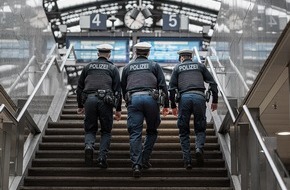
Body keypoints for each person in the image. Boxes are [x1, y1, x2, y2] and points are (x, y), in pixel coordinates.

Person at [121, 42, 169, 177]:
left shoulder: (128, 67)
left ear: (136, 53)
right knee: (152, 130)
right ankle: (145, 159)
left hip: (133, 99)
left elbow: (123, 86)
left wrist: (127, 101)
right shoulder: (154, 65)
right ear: (148, 53)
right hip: (151, 99)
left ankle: (136, 164)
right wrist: (166, 105)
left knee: (135, 133)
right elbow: (163, 86)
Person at [168, 49, 218, 169]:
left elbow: (171, 89)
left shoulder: (177, 68)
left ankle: (187, 161)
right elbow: (213, 83)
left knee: (183, 130)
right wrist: (215, 101)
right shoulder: (200, 66)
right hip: (199, 98)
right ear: (191, 57)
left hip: (184, 99)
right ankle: (199, 148)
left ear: (181, 58)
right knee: (200, 127)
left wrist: (173, 106)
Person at [76, 43, 122, 168]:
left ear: (98, 54)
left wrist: (80, 105)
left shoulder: (88, 67)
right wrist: (118, 109)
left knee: (90, 128)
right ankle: (102, 158)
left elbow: (79, 88)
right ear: (109, 55)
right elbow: (118, 90)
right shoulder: (112, 68)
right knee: (106, 131)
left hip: (89, 99)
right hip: (106, 101)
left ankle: (89, 146)